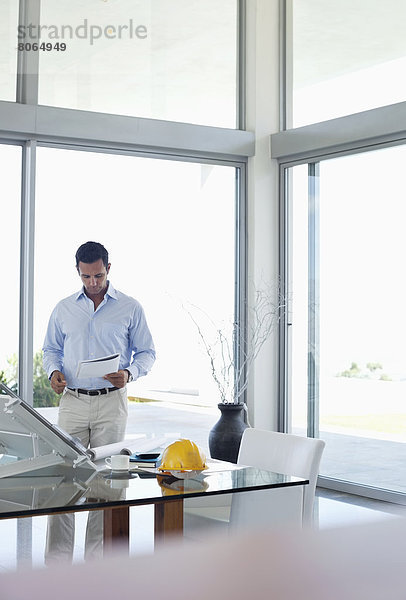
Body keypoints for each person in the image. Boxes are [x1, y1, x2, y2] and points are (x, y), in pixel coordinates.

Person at [42, 241, 155, 562]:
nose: (93, 282)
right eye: (86, 276)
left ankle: (98, 565)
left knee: (106, 483)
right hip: (74, 402)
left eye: (99, 275)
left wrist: (130, 373)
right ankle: (57, 564)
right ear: (77, 271)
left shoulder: (130, 307)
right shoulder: (64, 308)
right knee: (65, 481)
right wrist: (53, 373)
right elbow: (50, 349)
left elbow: (147, 352)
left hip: (111, 403)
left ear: (109, 269)